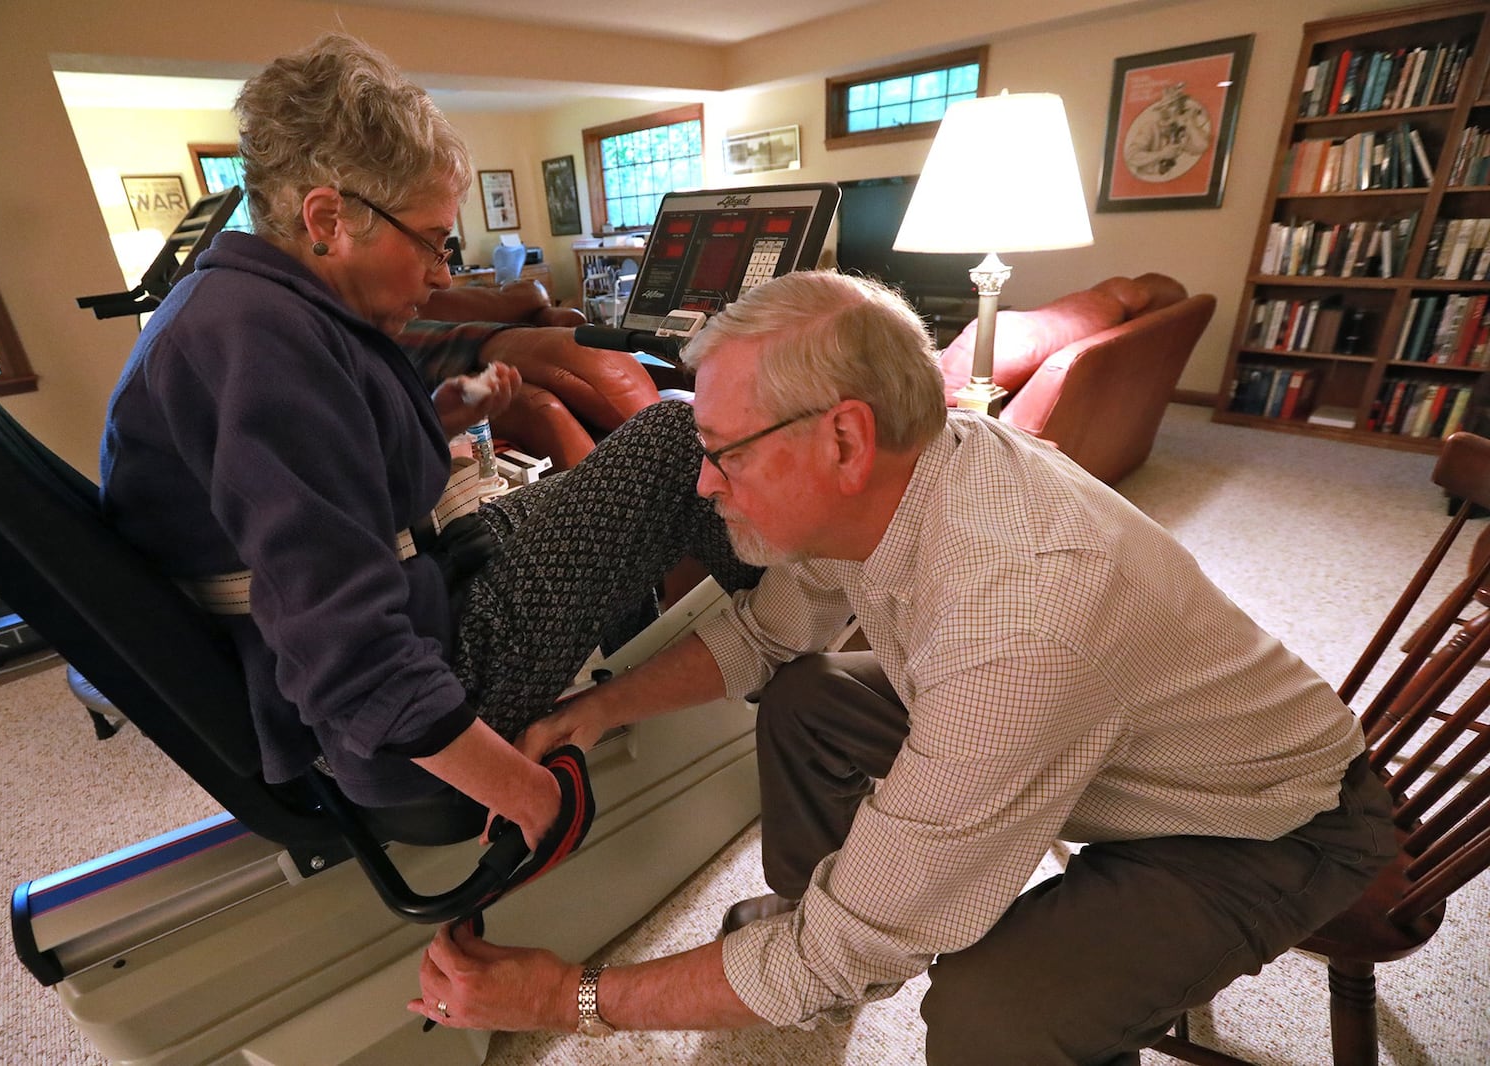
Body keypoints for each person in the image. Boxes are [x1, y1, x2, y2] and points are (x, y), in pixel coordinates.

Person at [409, 270, 1396, 1064]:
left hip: (1262, 820)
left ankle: (840, 944)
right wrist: (599, 707)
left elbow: (840, 948)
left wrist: (562, 997)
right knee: (806, 700)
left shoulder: (1017, 628)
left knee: (989, 1014)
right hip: (1101, 737)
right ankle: (812, 915)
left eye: (722, 452)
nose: (703, 483)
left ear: (842, 436)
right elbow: (765, 639)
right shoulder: (904, 472)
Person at [99, 32, 759, 850]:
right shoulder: (258, 345)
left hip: (429, 600)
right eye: (430, 240)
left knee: (618, 466)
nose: (443, 273)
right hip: (410, 704)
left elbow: (316, 492)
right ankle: (780, 666)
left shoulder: (247, 309)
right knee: (675, 439)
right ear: (327, 218)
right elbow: (342, 644)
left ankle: (713, 654)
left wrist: (434, 419)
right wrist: (533, 801)